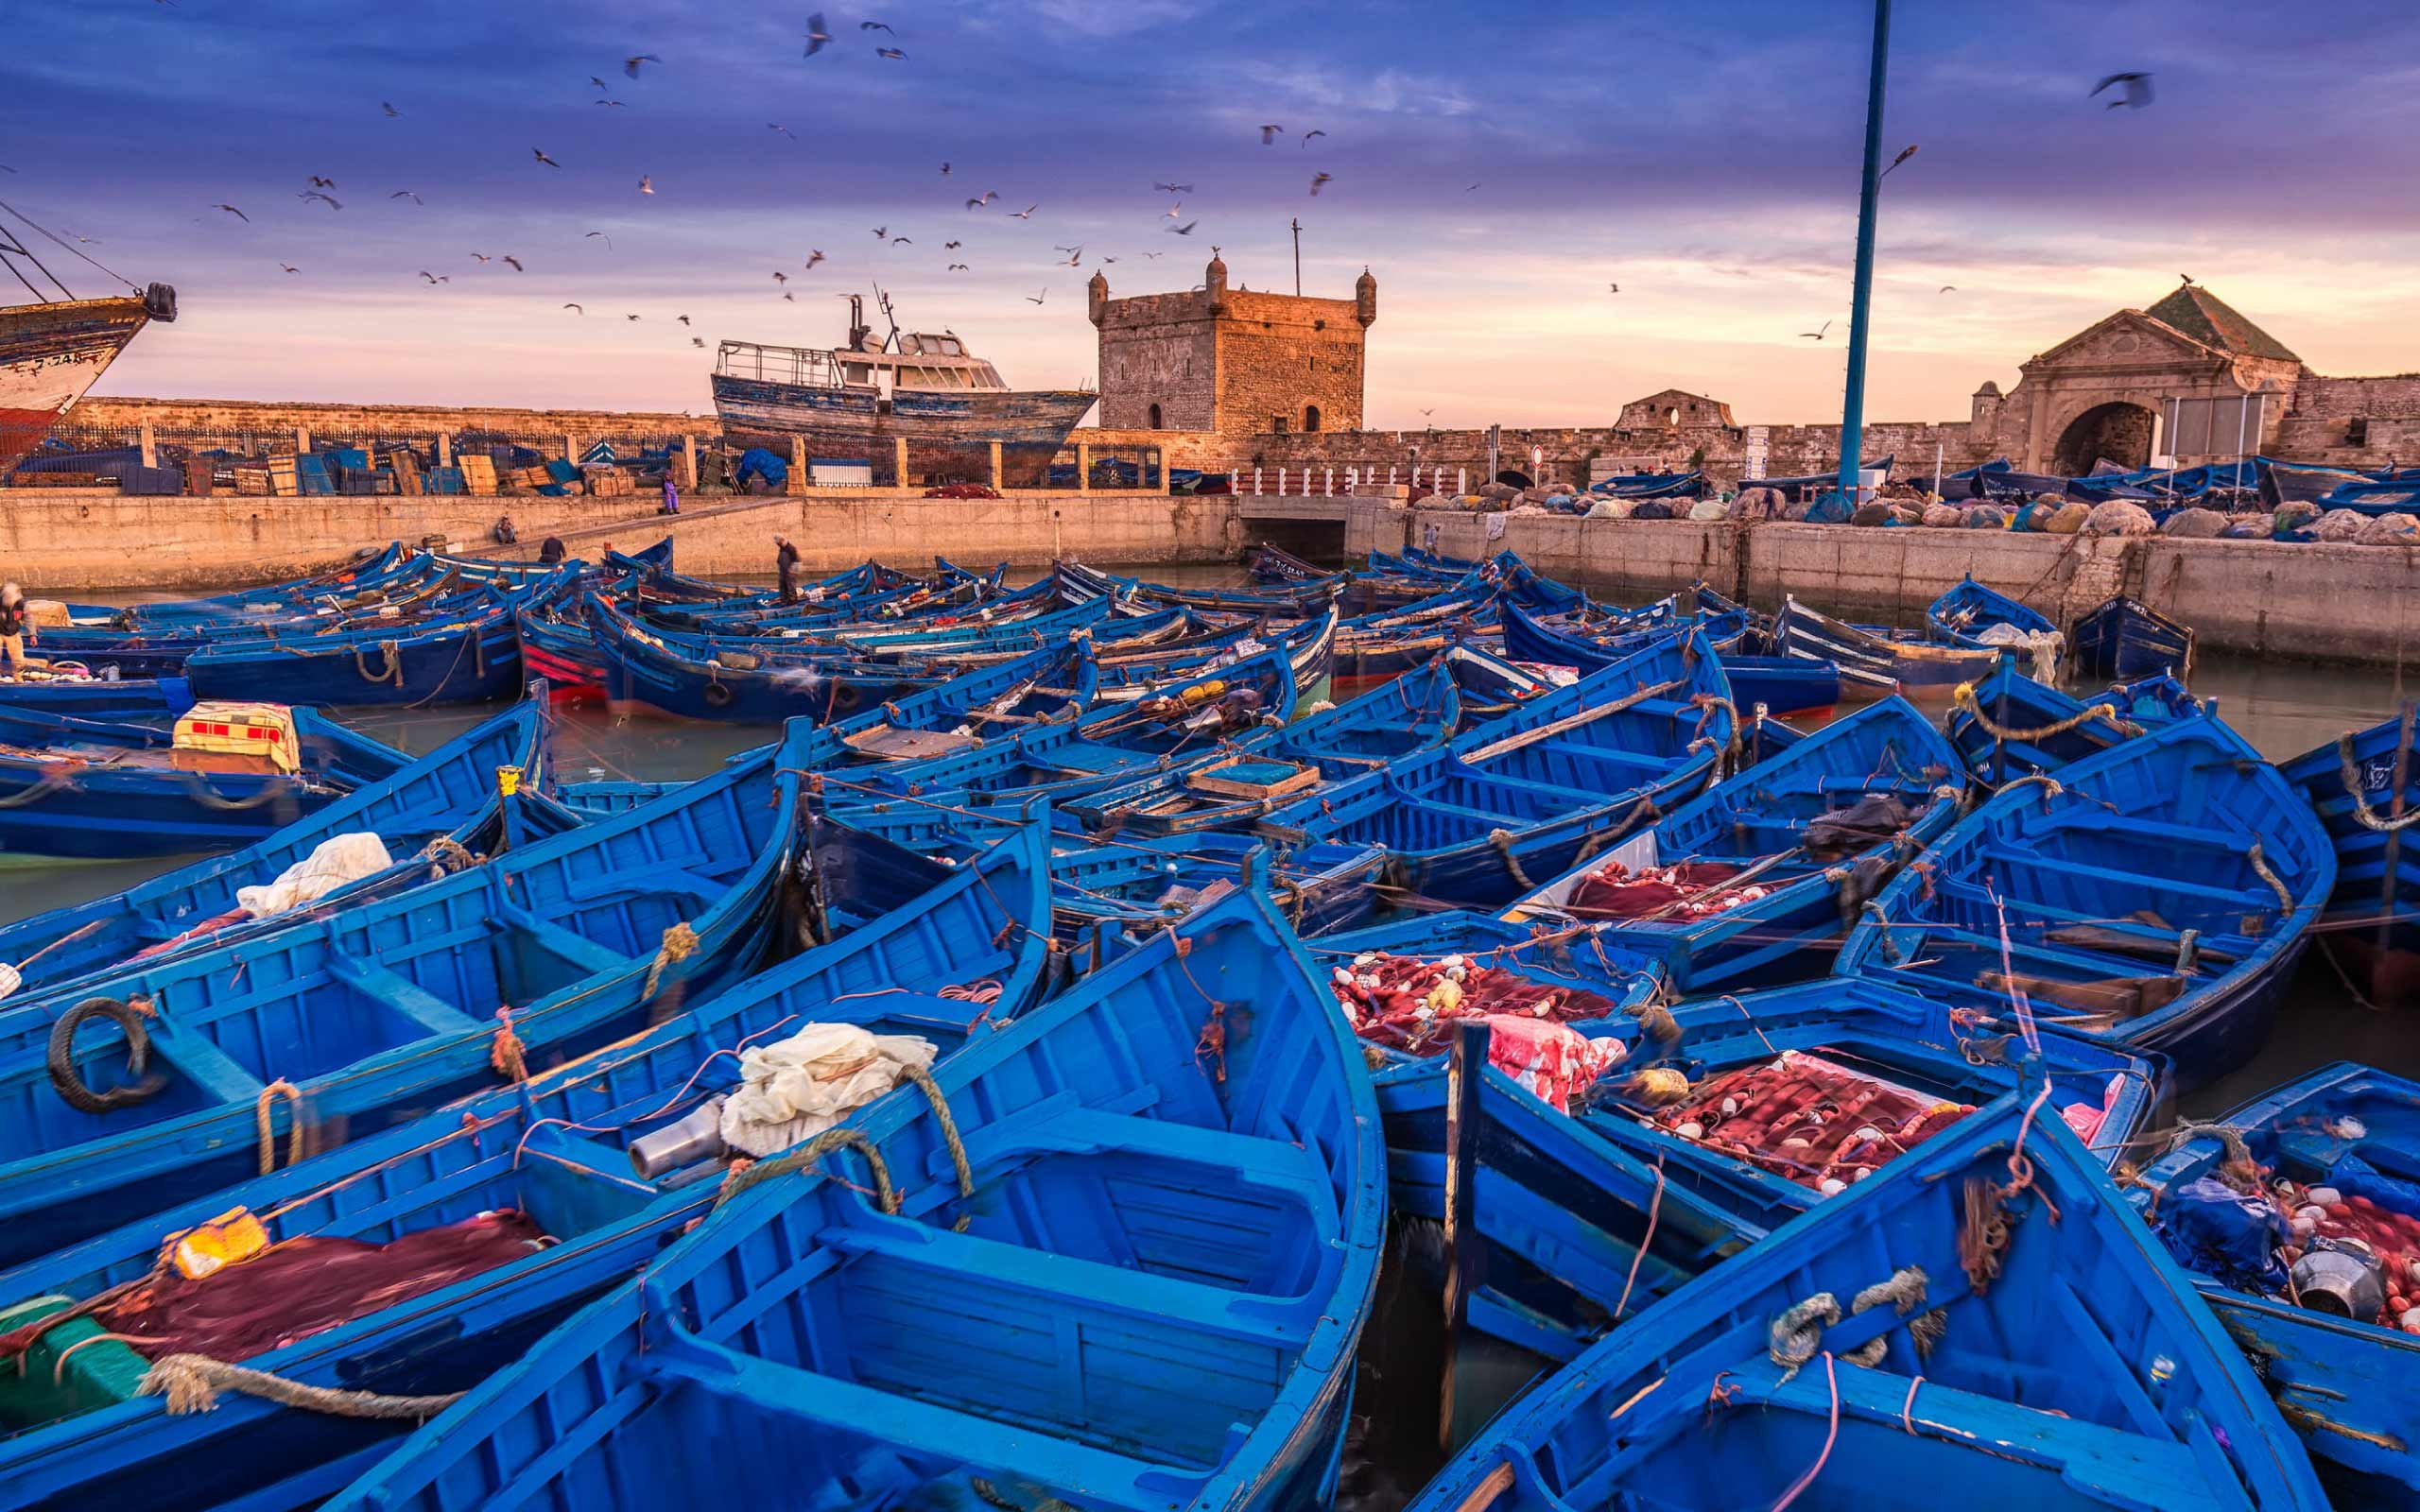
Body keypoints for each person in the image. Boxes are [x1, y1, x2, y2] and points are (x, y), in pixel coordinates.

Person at [0, 584, 34, 679]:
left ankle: (18, 678)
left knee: (18, 659)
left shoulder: (21, 604)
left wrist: (32, 634)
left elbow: (28, 618)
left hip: (13, 633)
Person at [775, 536, 800, 604]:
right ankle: (784, 602)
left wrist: (793, 572)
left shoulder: (791, 548)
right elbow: (779, 561)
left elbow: (796, 560)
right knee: (783, 588)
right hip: (783, 572)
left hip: (789, 572)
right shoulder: (782, 549)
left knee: (790, 588)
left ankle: (792, 603)